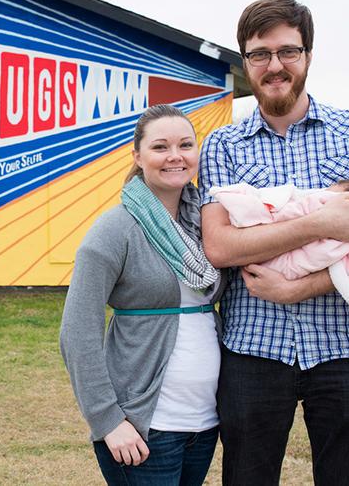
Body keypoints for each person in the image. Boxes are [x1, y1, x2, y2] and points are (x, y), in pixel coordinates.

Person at [198, 0, 349, 485]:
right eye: (259, 54)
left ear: (308, 55)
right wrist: (324, 222)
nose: (275, 66)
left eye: (288, 51)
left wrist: (301, 286)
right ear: (245, 62)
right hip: (252, 348)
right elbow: (221, 248)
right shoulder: (222, 146)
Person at [60, 105, 224, 485]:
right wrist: (108, 421)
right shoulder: (115, 230)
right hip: (143, 425)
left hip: (203, 423)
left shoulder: (206, 222)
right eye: (160, 147)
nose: (175, 156)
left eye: (185, 144)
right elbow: (77, 332)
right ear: (137, 156)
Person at [210, 180, 349, 350]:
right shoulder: (224, 142)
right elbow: (220, 249)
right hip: (253, 343)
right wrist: (320, 223)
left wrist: (296, 289)